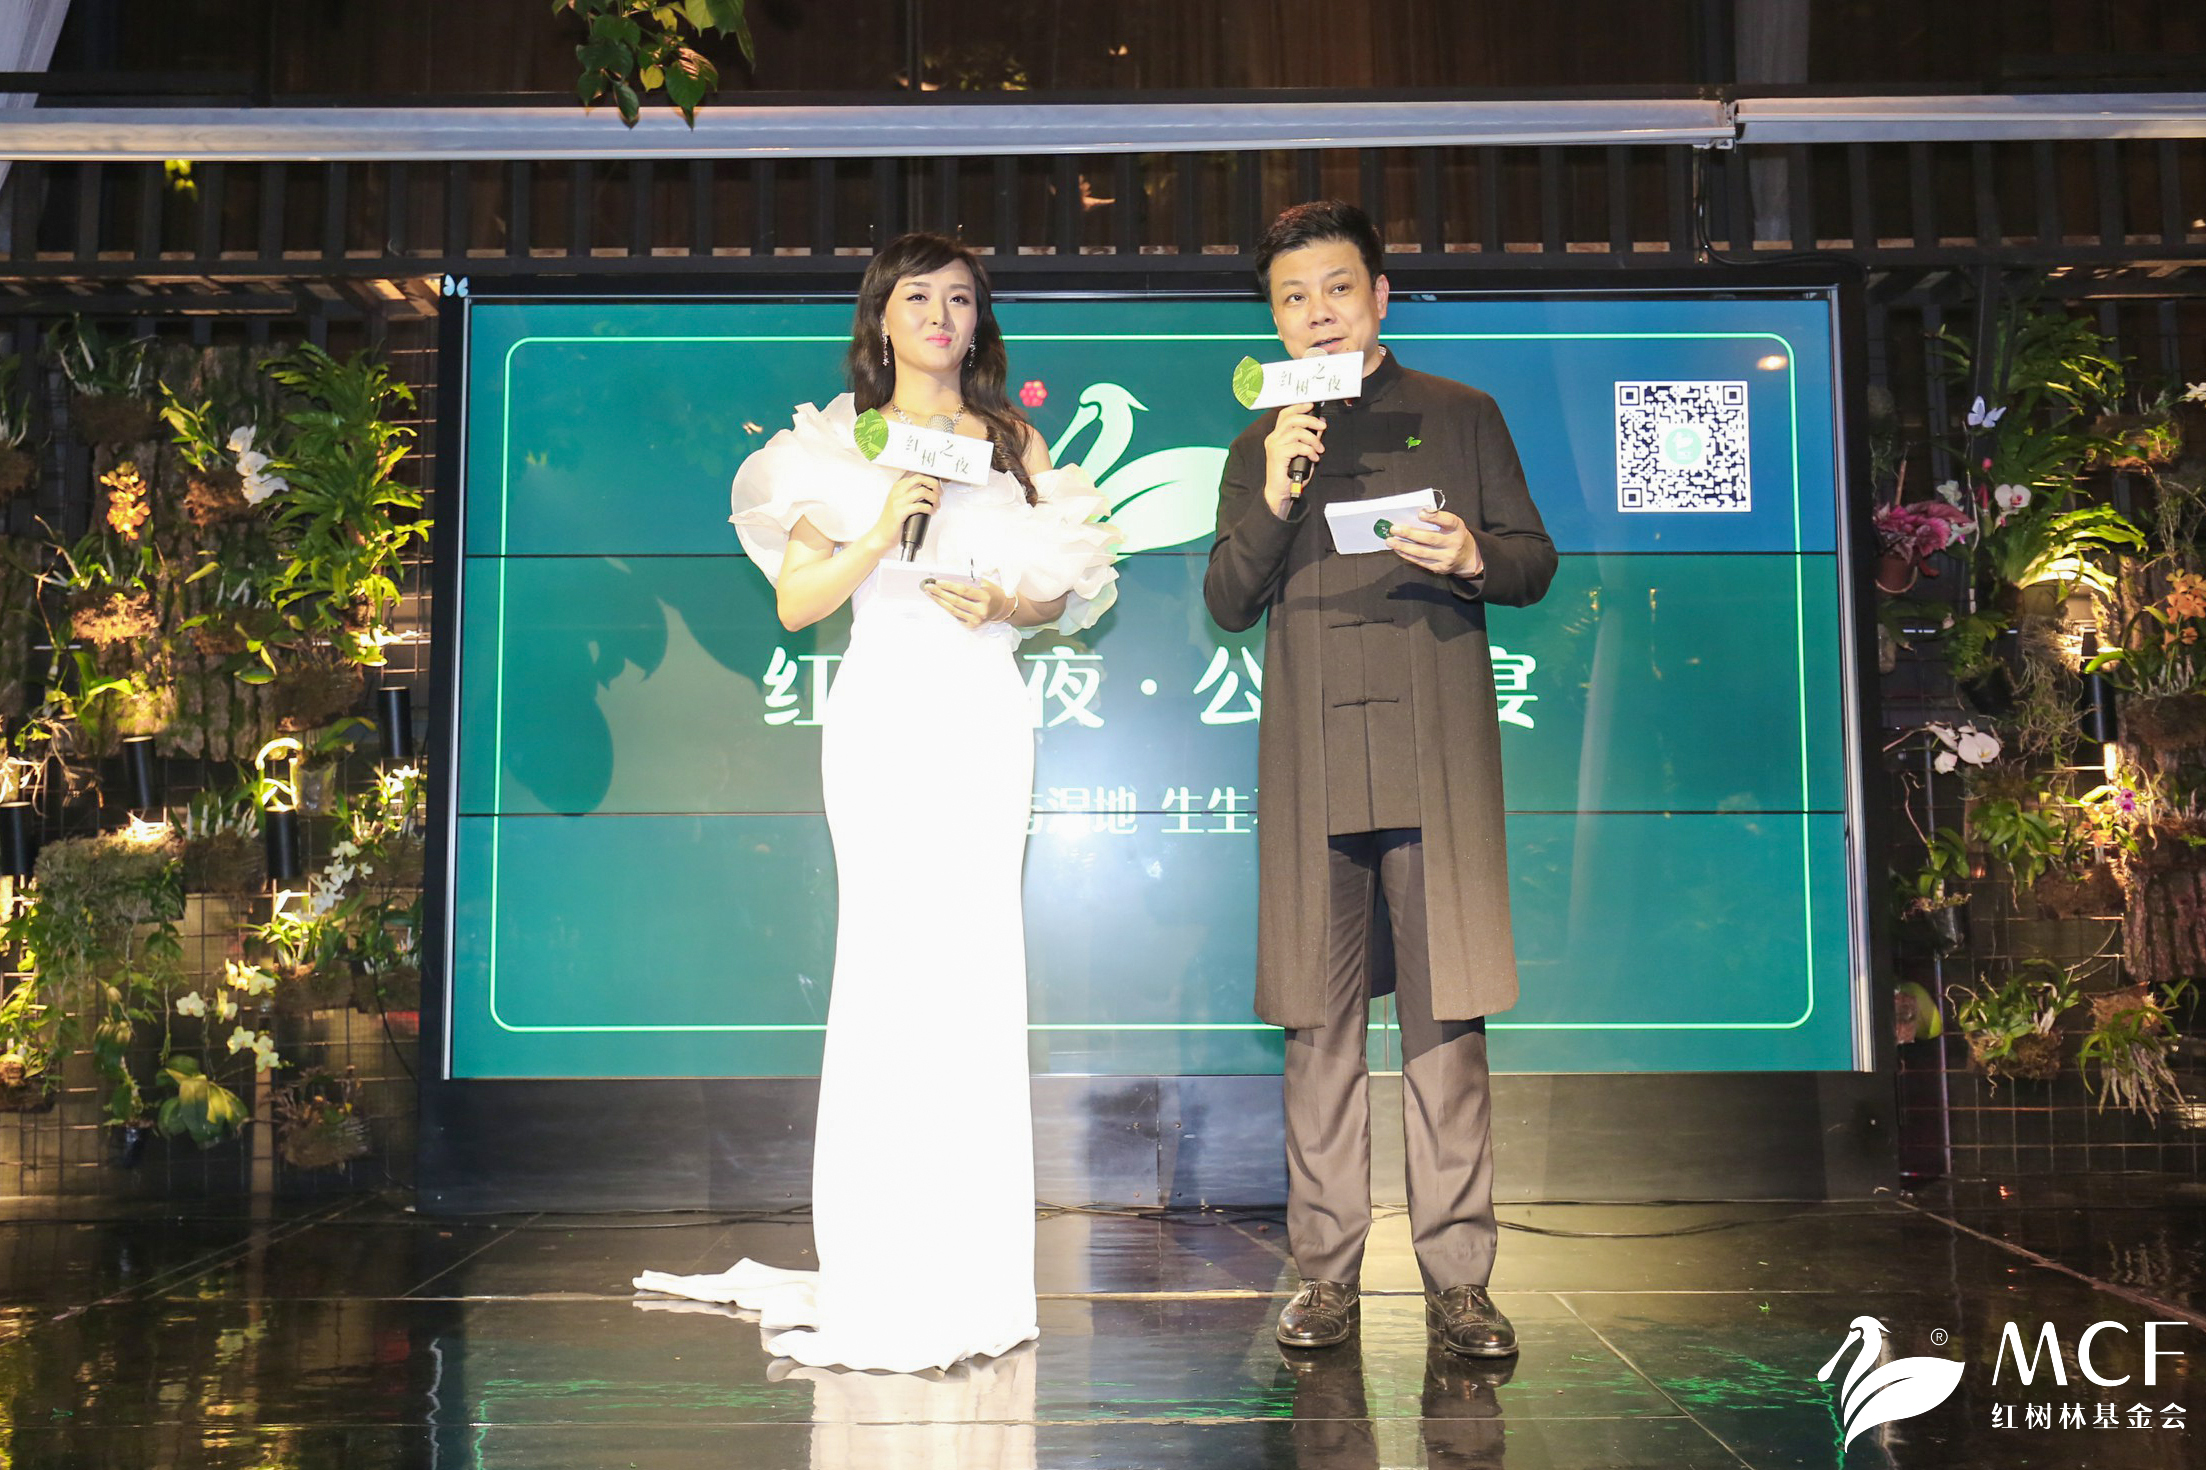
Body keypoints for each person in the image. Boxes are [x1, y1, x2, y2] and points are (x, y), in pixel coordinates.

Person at [634, 232, 1121, 1374]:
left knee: (976, 963)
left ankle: (971, 1267)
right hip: (888, 712)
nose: (941, 317)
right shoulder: (830, 444)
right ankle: (883, 1255)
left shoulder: (1014, 445)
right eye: (918, 298)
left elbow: (1063, 590)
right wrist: (877, 525)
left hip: (983, 708)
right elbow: (799, 601)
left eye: (960, 299)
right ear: (882, 319)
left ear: (978, 321)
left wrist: (1008, 601)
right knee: (891, 962)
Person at [1202, 201, 1555, 1358]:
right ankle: (1325, 1276)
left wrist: (1472, 553)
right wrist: (1274, 490)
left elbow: (1533, 560)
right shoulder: (1260, 444)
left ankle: (1459, 1282)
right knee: (1318, 1026)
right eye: (1293, 297)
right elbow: (1226, 599)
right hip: (1313, 757)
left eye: (1337, 289)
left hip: (1433, 751)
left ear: (1380, 296)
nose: (1317, 313)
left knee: (1447, 1025)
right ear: (1273, 317)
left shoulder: (1462, 414)